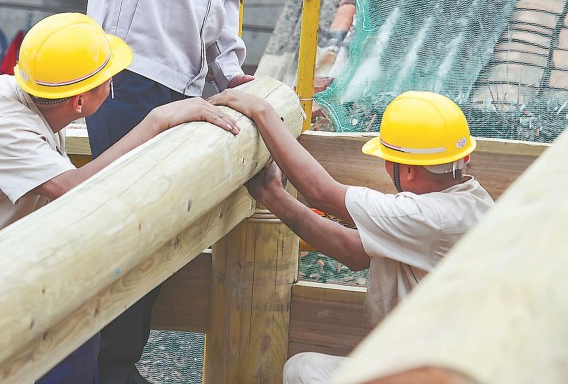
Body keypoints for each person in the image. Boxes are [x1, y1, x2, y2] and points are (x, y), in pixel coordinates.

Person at [82, 0, 311, 384]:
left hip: (183, 88)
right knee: (122, 230)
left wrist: (231, 74)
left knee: (156, 232)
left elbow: (221, 0)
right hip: (129, 77)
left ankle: (114, 366)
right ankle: (100, 369)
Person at [0, 13, 239, 383]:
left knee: (72, 327)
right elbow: (76, 191)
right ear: (80, 102)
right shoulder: (5, 129)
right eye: (109, 80)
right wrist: (157, 120)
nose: (113, 84)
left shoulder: (16, 98)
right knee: (63, 331)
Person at [209, 89, 496, 384]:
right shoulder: (473, 202)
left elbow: (321, 192)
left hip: (432, 373)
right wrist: (273, 195)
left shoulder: (427, 216)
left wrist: (262, 111)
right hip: (446, 364)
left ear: (408, 170)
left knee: (306, 374)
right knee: (304, 370)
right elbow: (354, 252)